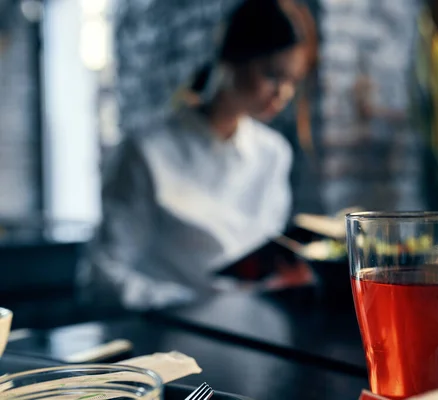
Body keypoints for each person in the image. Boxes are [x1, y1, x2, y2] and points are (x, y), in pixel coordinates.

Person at [78, 0, 317, 311]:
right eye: (272, 74)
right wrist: (186, 302)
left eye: (293, 81)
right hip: (167, 335)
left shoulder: (273, 153)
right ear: (232, 58)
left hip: (254, 331)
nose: (283, 94)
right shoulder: (147, 152)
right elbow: (102, 276)